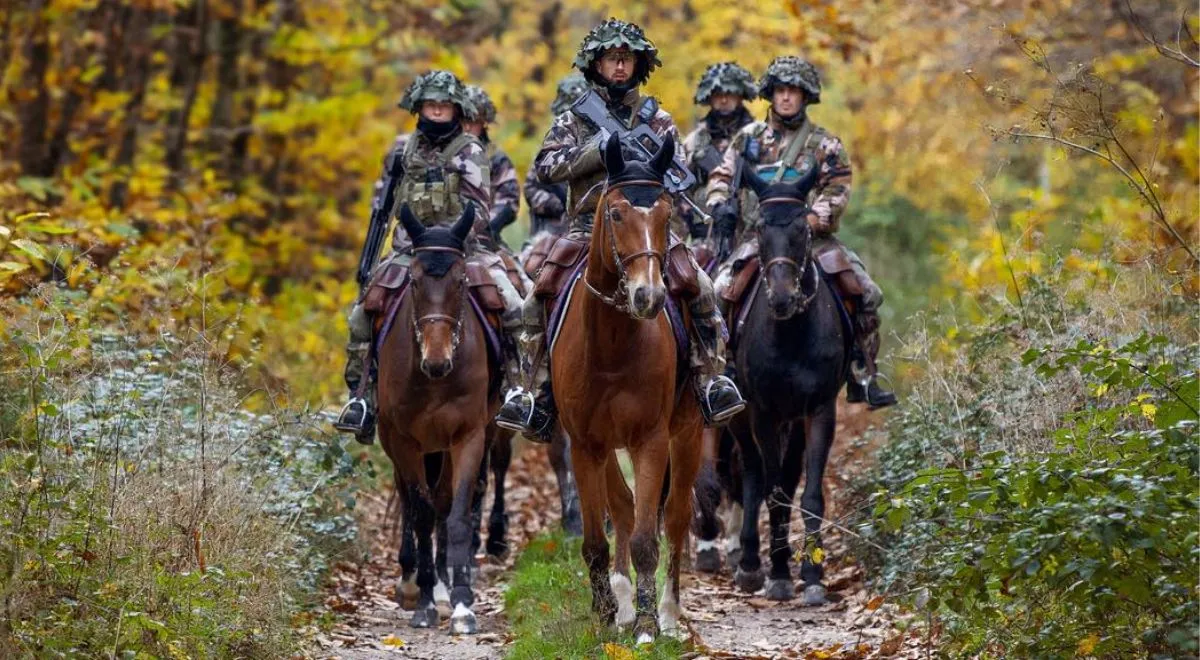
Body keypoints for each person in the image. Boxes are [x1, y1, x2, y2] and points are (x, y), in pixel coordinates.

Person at [494, 18, 746, 438]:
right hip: (585, 229)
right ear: (596, 65)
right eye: (612, 59)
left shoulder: (658, 119)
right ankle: (529, 391)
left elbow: (680, 172)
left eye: (626, 60)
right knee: (535, 298)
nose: (619, 67)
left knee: (699, 285)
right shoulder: (575, 119)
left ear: (638, 65)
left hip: (647, 228)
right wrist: (595, 151)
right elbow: (546, 166)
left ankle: (711, 379)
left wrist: (648, 168)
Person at [334, 71, 525, 440]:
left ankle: (518, 390)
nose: (437, 112)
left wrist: (446, 238)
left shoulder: (471, 150)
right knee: (362, 313)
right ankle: (362, 398)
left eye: (444, 106)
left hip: (463, 251)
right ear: (419, 107)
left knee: (514, 305)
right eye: (431, 105)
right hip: (408, 251)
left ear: (456, 109)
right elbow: (382, 203)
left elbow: (481, 210)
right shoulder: (401, 149)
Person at [705, 56, 897, 408]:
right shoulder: (746, 139)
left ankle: (862, 371)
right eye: (780, 91)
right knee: (718, 292)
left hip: (813, 239)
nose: (786, 98)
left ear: (805, 96)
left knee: (867, 291)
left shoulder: (825, 143)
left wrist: (811, 219)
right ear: (770, 95)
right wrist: (721, 206)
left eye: (793, 91)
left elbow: (838, 188)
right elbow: (720, 178)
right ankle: (724, 372)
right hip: (759, 239)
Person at [678, 62, 758, 243]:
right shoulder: (694, 142)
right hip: (705, 236)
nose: (723, 100)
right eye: (718, 95)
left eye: (729, 94)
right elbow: (679, 191)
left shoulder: (759, 136)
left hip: (751, 237)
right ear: (709, 97)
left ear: (740, 96)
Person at [522, 73, 589, 241]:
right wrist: (555, 205)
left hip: (589, 228)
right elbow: (531, 188)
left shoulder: (598, 146)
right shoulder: (550, 149)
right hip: (551, 230)